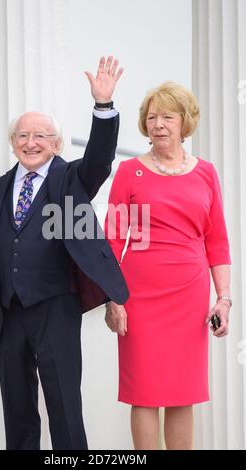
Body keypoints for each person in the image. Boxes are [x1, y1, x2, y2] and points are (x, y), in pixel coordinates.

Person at [0, 56, 129, 450]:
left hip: (55, 308)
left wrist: (103, 107)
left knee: (64, 410)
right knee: (18, 413)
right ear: (13, 143)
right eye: (23, 136)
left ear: (56, 144)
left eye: (41, 136)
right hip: (7, 313)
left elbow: (100, 158)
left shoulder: (71, 179)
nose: (31, 143)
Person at [104, 81, 231, 450]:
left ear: (184, 122)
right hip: (138, 295)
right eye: (152, 117)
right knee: (142, 391)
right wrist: (113, 298)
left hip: (190, 295)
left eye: (167, 117)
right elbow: (111, 240)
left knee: (182, 391)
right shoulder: (128, 171)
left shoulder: (206, 172)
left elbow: (217, 239)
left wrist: (223, 299)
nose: (158, 124)